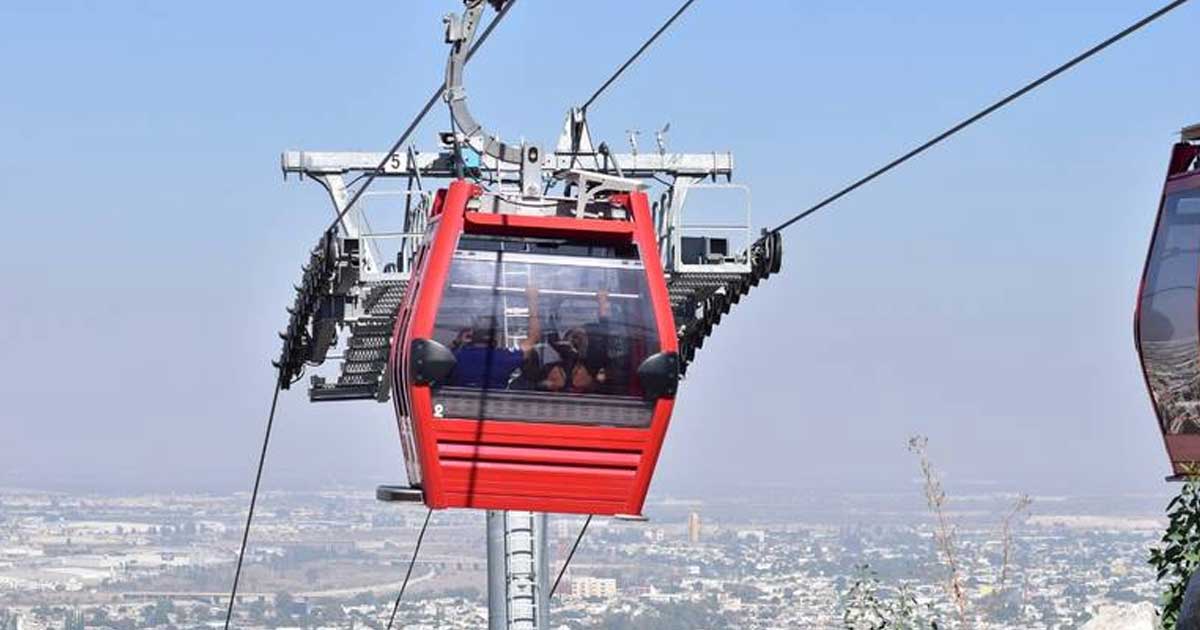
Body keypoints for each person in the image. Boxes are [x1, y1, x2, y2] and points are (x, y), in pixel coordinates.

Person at [450, 286, 542, 389]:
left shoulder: (457, 356)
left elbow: (439, 358)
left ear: (471, 334)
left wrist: (457, 342)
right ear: (496, 336)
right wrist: (532, 300)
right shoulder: (505, 357)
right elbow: (534, 336)